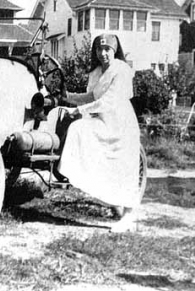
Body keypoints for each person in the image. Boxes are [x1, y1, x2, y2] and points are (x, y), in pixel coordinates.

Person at [58, 34, 141, 232]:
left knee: (124, 168)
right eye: (99, 50)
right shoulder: (95, 72)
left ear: (114, 51)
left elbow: (108, 101)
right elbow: (91, 96)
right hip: (102, 121)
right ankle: (74, 175)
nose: (103, 54)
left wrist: (79, 110)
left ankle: (128, 216)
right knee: (79, 129)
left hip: (121, 125)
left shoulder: (121, 71)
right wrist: (68, 97)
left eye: (107, 50)